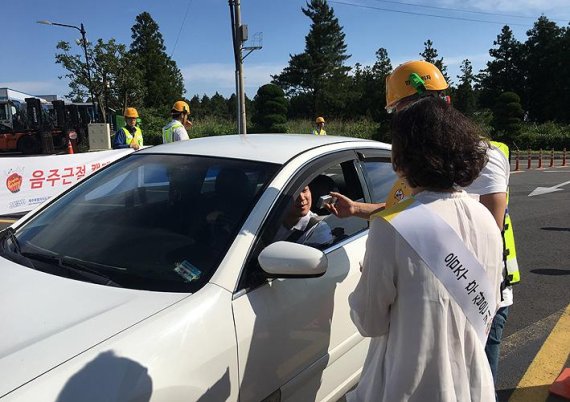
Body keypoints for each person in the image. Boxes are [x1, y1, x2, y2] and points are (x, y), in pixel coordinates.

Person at [328, 61, 519, 399]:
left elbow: (369, 322)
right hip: (469, 388)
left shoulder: (391, 230)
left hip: (409, 387)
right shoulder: (485, 222)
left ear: (400, 160)